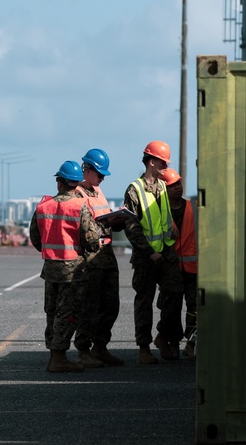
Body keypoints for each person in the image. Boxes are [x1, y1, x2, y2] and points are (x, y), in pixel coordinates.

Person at [29, 160, 100, 374]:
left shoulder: (43, 206)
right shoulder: (80, 207)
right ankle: (59, 358)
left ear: (60, 182)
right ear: (76, 184)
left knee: (52, 312)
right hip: (73, 271)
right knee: (67, 314)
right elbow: (92, 240)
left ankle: (54, 357)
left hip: (51, 268)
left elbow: (35, 238)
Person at [124, 139, 183, 364]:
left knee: (175, 294)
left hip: (166, 251)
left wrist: (172, 229)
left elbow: (163, 217)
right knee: (144, 302)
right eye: (162, 162)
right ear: (151, 162)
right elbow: (132, 226)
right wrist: (149, 252)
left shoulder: (161, 186)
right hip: (146, 256)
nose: (166, 167)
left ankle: (164, 336)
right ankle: (143, 348)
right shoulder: (134, 189)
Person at [73, 147, 124, 368]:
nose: (102, 179)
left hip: (106, 257)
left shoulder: (97, 191)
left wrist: (117, 219)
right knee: (89, 308)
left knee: (111, 306)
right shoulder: (77, 194)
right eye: (100, 174)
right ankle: (84, 350)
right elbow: (82, 228)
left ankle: (100, 348)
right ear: (87, 170)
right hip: (90, 260)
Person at [159, 168, 197, 357]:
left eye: (178, 185)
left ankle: (192, 343)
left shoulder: (195, 208)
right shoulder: (159, 211)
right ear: (164, 189)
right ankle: (171, 342)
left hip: (193, 268)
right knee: (171, 307)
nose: (177, 189)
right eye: (172, 186)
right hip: (170, 267)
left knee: (194, 306)